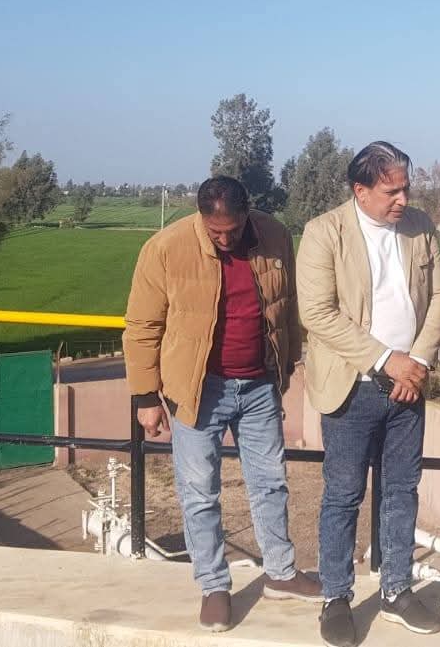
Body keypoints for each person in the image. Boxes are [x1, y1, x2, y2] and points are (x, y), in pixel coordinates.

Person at [123, 175, 320, 632]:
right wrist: (146, 396)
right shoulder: (165, 248)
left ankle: (280, 573)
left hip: (259, 387)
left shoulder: (274, 236)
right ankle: (213, 586)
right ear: (201, 218)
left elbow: (286, 307)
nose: (225, 239)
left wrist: (286, 366)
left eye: (233, 230)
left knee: (270, 483)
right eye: (216, 233)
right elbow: (143, 325)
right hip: (197, 390)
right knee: (199, 492)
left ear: (247, 214)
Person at [297, 141, 440, 647]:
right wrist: (388, 360)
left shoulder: (419, 226)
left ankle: (396, 591)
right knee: (343, 495)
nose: (403, 199)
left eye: (406, 188)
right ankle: (336, 597)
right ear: (360, 190)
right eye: (392, 191)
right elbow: (317, 313)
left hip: (409, 387)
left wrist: (418, 362)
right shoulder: (324, 232)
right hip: (353, 389)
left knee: (402, 490)